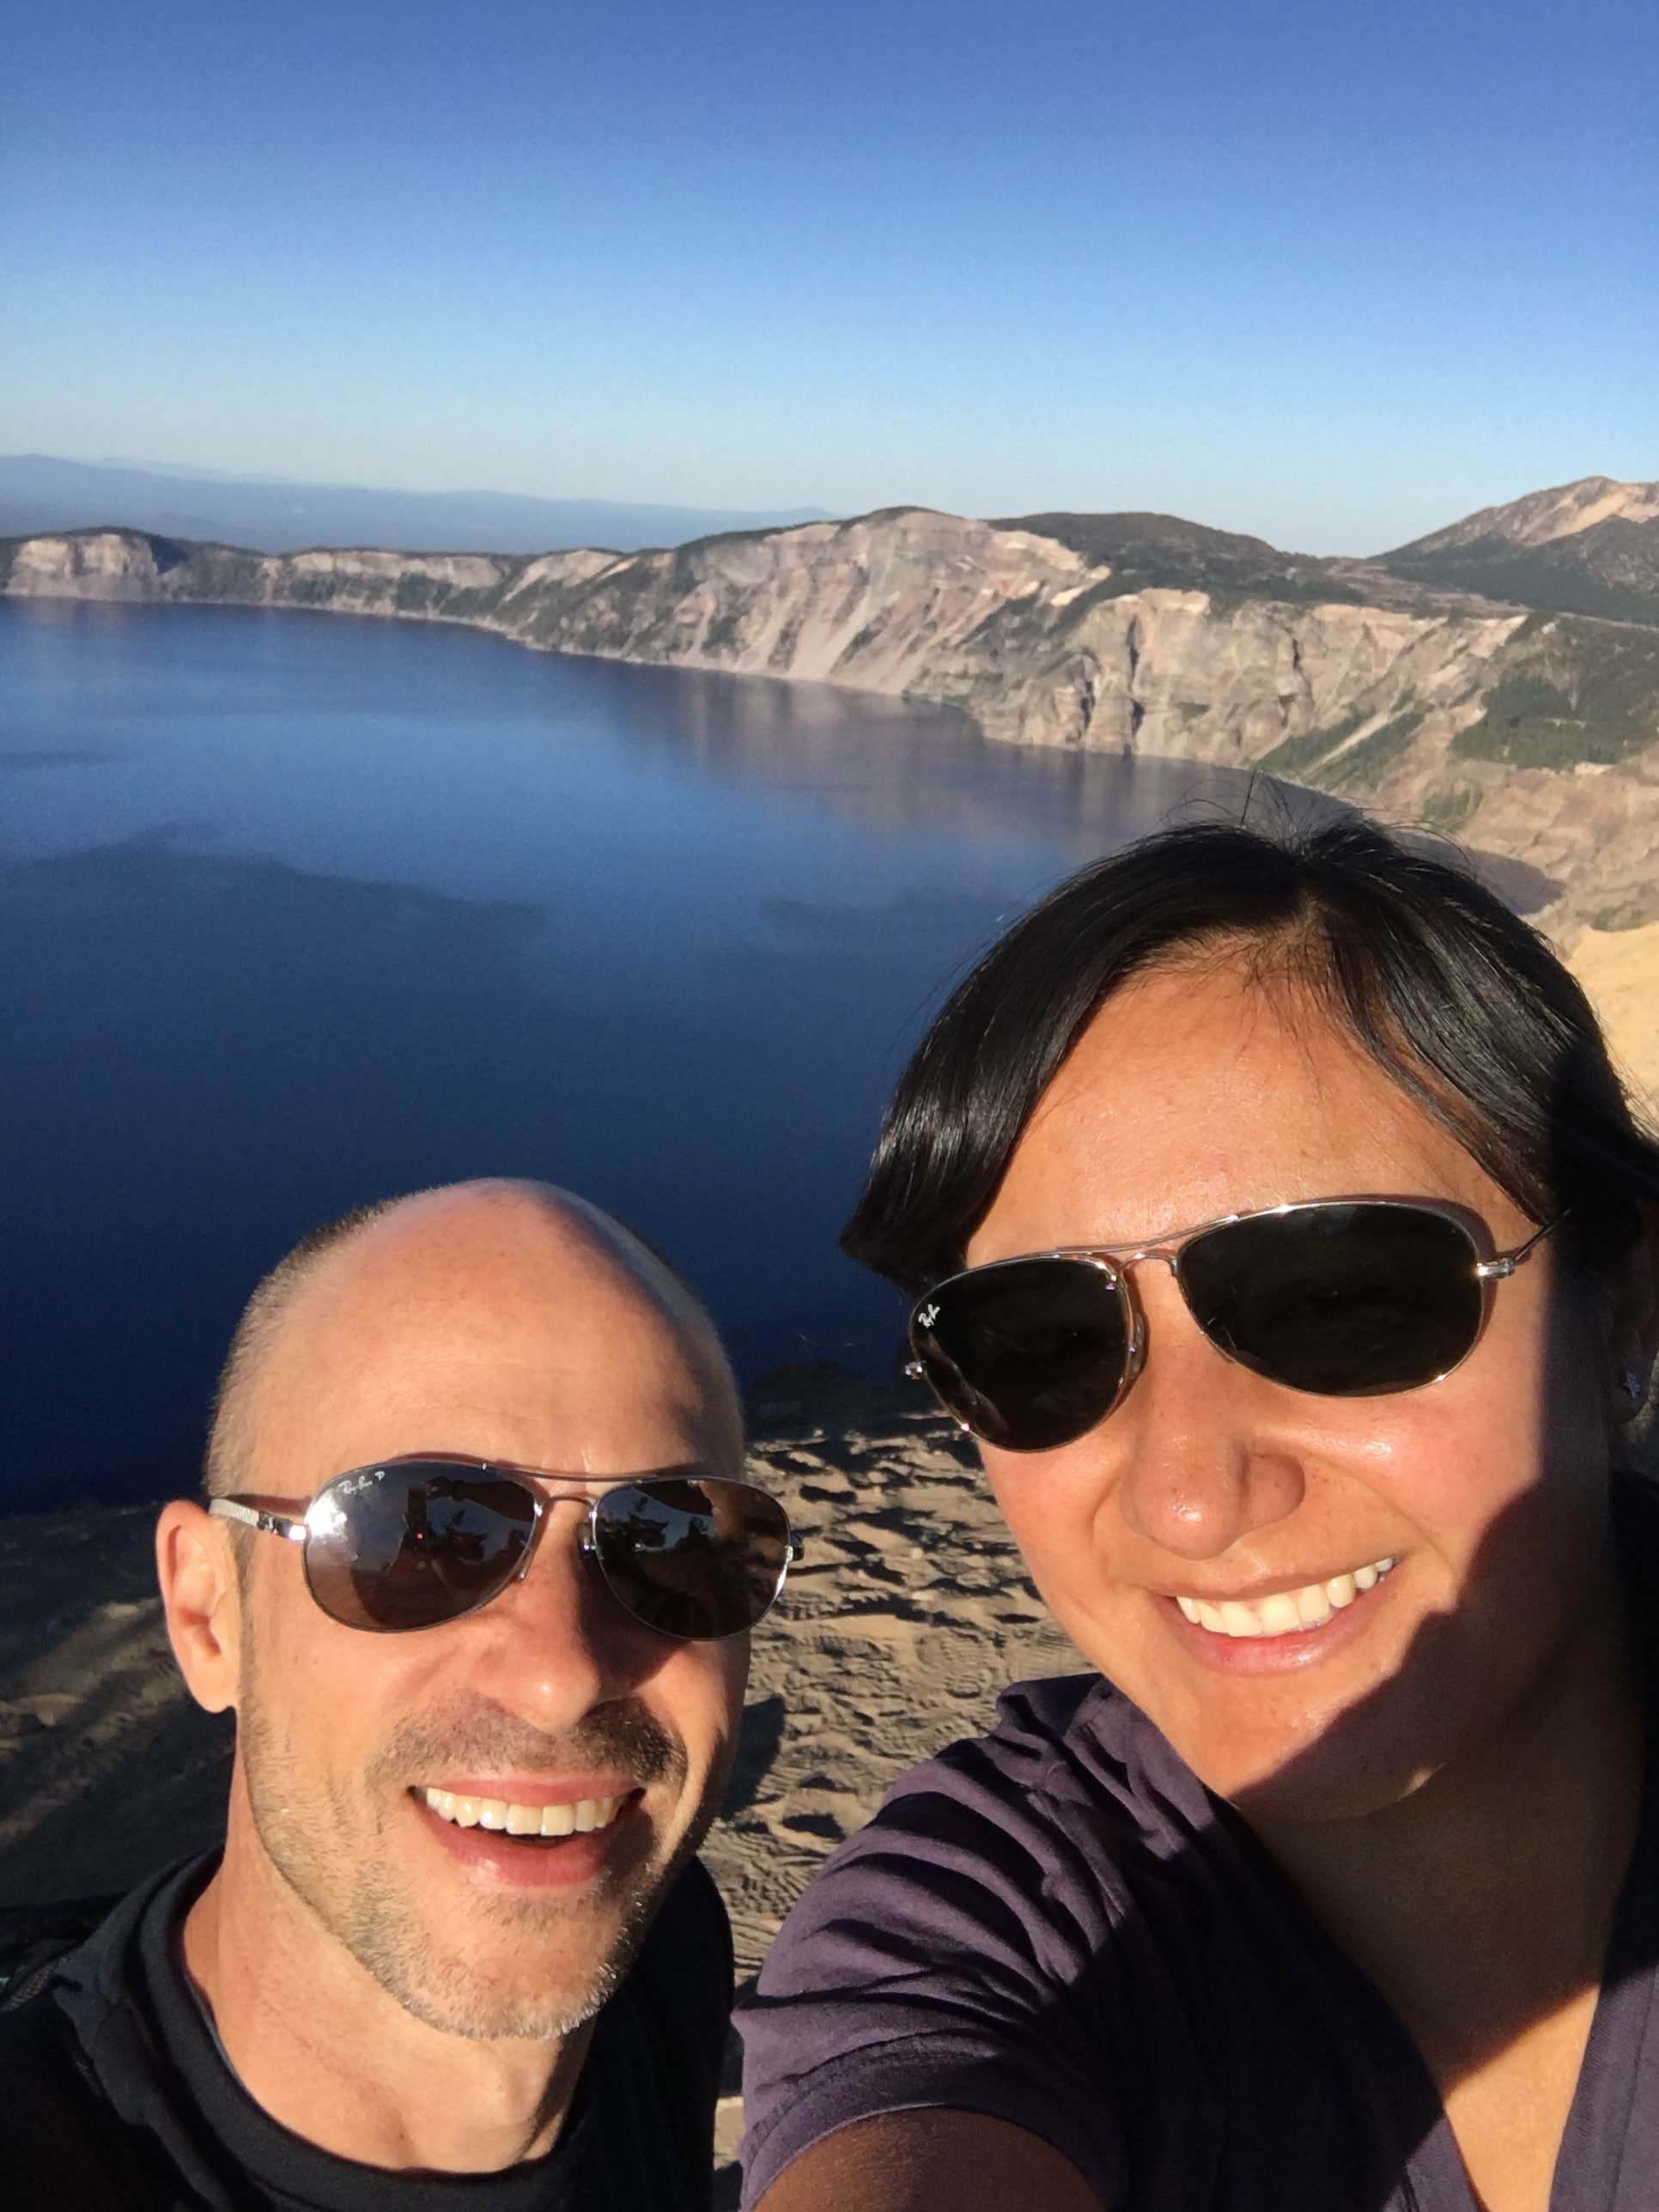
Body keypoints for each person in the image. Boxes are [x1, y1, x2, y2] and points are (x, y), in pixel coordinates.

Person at [738, 816, 1659, 2212]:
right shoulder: (999, 1923)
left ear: (1624, 1315)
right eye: (1038, 1339)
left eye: (1342, 1296)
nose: (1182, 1490)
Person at [1, 1179, 798, 2210]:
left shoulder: (663, 1946)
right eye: (417, 1538)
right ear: (208, 1616)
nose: (562, 1674)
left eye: (673, 1537)